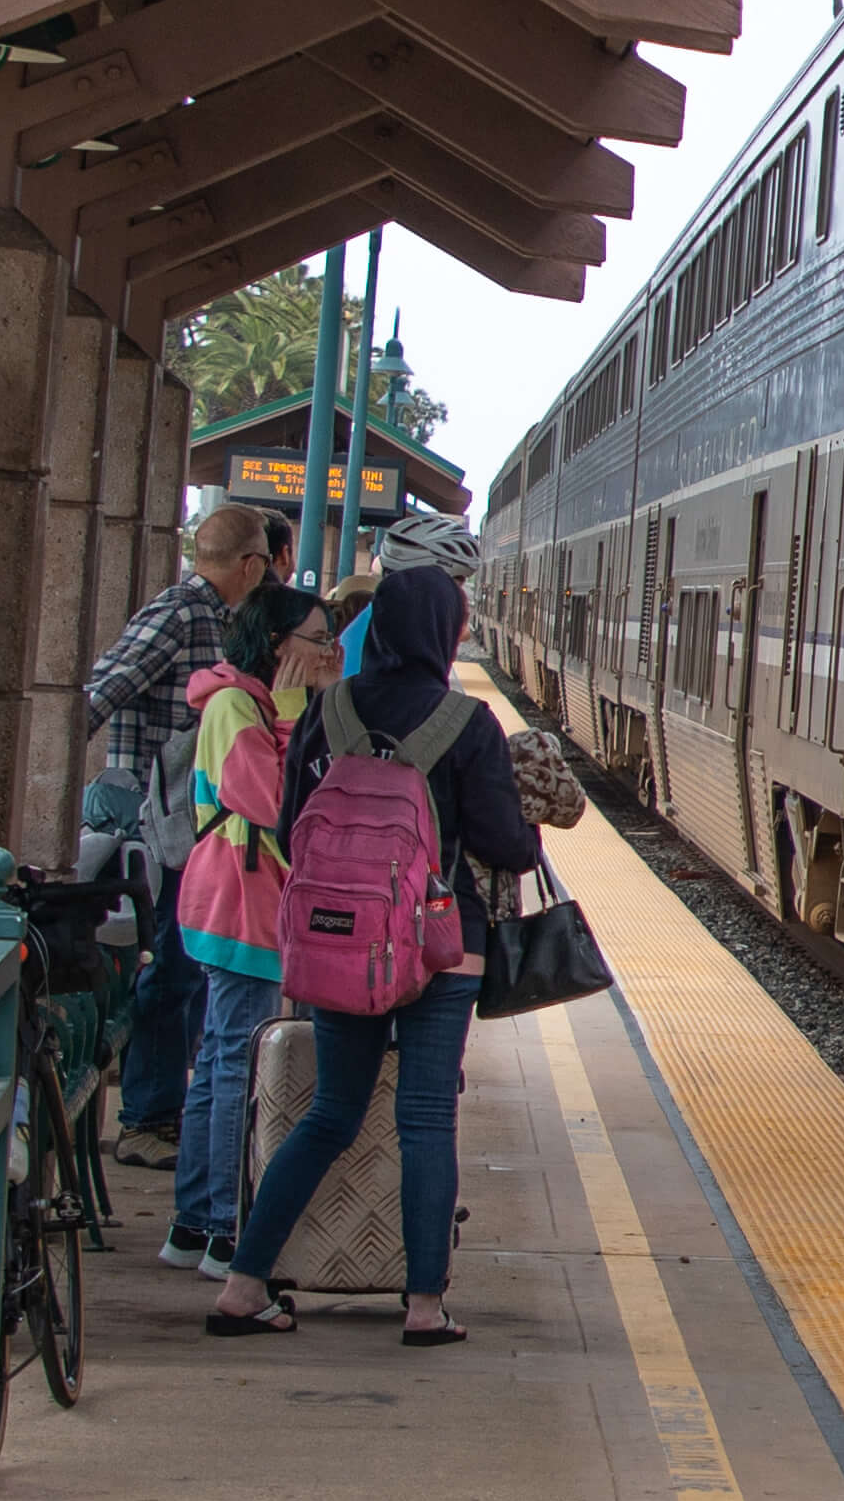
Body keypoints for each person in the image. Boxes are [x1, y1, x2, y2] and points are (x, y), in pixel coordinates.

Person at [213, 561, 563, 1346]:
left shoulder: (331, 709)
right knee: (427, 1120)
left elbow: (286, 822)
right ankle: (425, 1307)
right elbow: (507, 848)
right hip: (444, 946)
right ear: (447, 633)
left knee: (330, 1114)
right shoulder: (466, 723)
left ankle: (243, 1285)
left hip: (342, 944)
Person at [84, 499, 288, 1154]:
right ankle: (146, 1118)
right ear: (253, 563)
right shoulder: (180, 614)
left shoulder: (219, 618)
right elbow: (100, 691)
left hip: (197, 830)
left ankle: (165, 1112)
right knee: (170, 972)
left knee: (187, 973)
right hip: (167, 828)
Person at [159, 583, 322, 1285]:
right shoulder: (235, 707)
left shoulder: (243, 703)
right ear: (280, 647)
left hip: (239, 901)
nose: (332, 651)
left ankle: (193, 1221)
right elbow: (274, 803)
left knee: (221, 1061)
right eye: (318, 639)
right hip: (239, 904)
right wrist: (290, 715)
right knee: (236, 1066)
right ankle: (226, 1229)